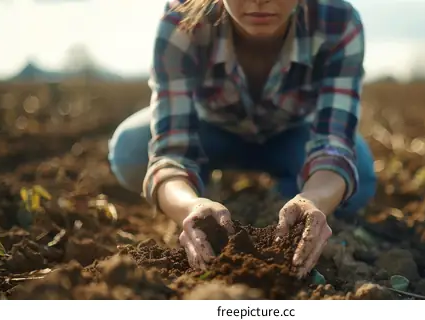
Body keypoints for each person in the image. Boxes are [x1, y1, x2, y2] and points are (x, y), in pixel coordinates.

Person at [108, 0, 376, 279]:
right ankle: (205, 188)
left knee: (361, 179)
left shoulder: (337, 21)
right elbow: (172, 150)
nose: (260, 1)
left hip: (292, 134)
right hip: (211, 128)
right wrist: (188, 206)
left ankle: (286, 198)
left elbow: (333, 146)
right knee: (131, 150)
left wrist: (315, 199)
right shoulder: (183, 17)